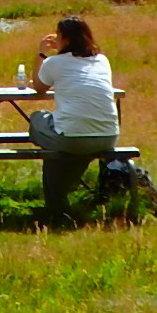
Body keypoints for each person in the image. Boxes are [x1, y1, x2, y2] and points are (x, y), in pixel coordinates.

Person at [29, 15, 121, 218]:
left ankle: (56, 207)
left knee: (37, 119)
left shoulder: (55, 62)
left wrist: (41, 53)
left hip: (73, 138)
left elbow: (38, 87)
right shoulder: (102, 60)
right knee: (68, 135)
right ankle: (64, 199)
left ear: (66, 39)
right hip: (108, 136)